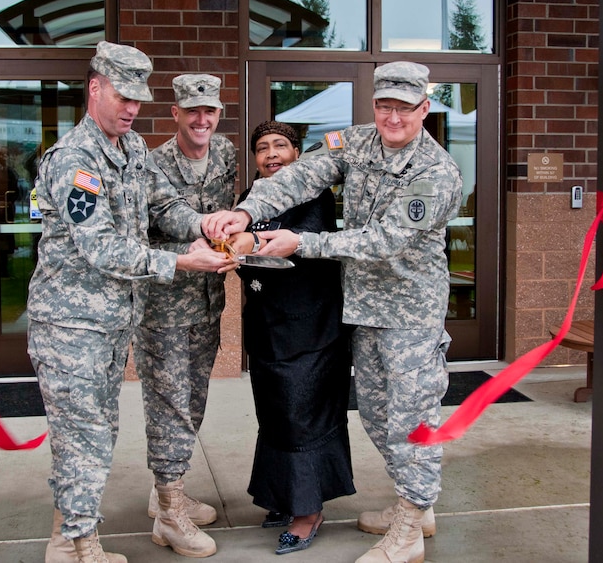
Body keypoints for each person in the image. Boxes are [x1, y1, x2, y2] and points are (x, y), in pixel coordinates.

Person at [204, 61, 463, 563]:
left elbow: (384, 240)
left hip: (409, 314)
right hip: (362, 306)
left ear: (424, 110)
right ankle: (416, 504)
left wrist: (302, 241)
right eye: (384, 106)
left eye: (404, 109)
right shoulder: (358, 141)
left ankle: (410, 527)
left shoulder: (436, 174)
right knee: (376, 414)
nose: (392, 118)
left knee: (410, 419)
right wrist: (248, 211)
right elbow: (304, 174)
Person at [27, 41, 234, 563]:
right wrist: (179, 262)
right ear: (95, 88)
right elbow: (99, 247)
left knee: (92, 433)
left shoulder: (131, 149)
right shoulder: (75, 159)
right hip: (71, 324)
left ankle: (67, 539)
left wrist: (201, 229)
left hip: (113, 322)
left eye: (138, 99)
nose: (131, 108)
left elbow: (161, 204)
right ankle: (79, 546)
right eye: (122, 96)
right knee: (84, 436)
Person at [225, 120, 354, 556]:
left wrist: (250, 242)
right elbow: (240, 256)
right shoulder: (249, 198)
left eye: (281, 145)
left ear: (298, 153)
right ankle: (283, 497)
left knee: (304, 413)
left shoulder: (315, 195)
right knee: (277, 412)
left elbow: (304, 244)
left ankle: (308, 510)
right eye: (262, 148)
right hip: (268, 327)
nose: (272, 154)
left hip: (313, 327)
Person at [134, 73, 237, 559]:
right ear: (174, 113)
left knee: (193, 400)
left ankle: (165, 491)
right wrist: (206, 228)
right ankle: (170, 515)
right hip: (165, 305)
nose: (202, 120)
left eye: (210, 111)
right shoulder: (151, 163)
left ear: (218, 114)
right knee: (168, 404)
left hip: (208, 301)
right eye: (192, 110)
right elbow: (168, 213)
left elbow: (233, 207)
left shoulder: (227, 154)